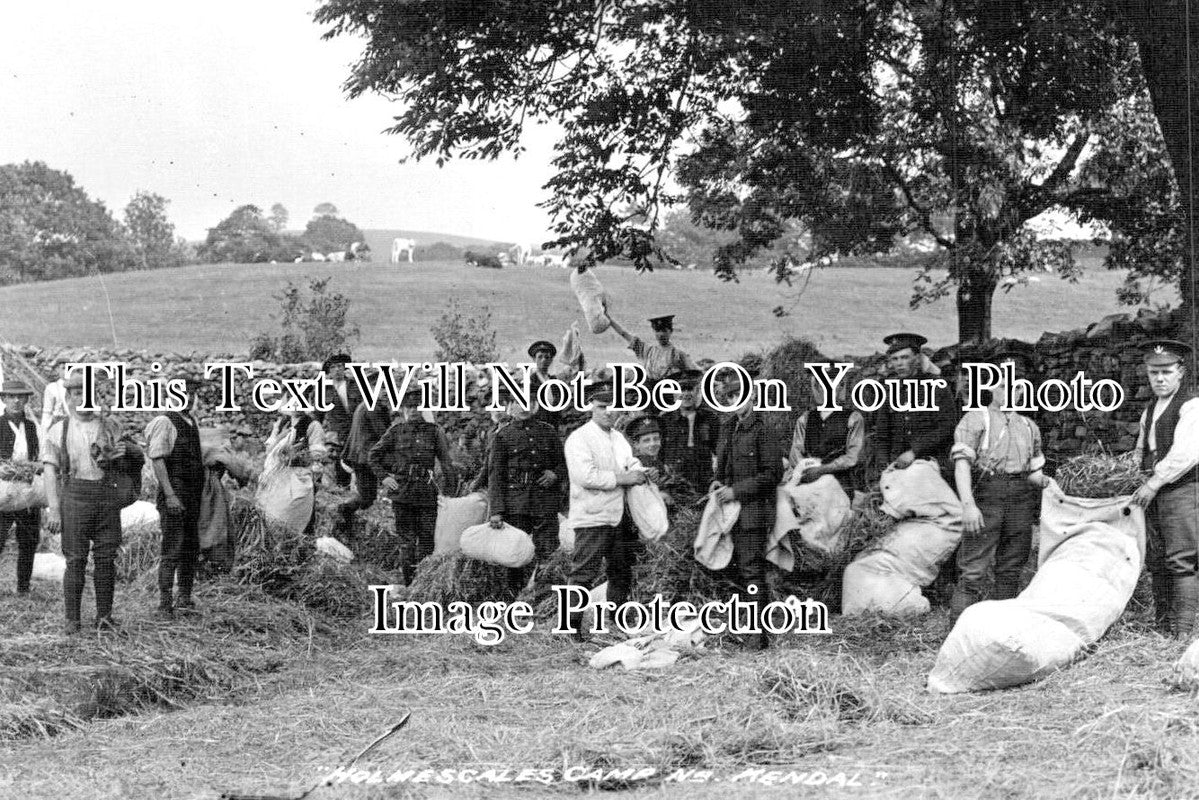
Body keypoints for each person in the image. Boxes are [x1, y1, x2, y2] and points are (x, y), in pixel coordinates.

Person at [948, 350, 1049, 623]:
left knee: (1011, 568)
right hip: (987, 497)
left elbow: (1033, 474)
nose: (1011, 393)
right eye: (1004, 386)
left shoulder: (1029, 426)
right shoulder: (975, 419)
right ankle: (957, 634)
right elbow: (962, 466)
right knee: (974, 570)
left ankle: (999, 630)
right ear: (990, 387)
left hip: (1020, 501)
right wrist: (968, 506)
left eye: (1017, 388)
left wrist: (1049, 483)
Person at [42, 373, 127, 634]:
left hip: (106, 498)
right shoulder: (59, 430)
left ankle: (104, 617)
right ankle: (72, 620)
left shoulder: (111, 427)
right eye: (78, 393)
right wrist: (54, 510)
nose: (84, 399)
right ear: (69, 398)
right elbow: (49, 472)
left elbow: (130, 461)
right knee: (76, 559)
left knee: (106, 558)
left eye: (89, 393)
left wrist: (124, 456)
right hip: (75, 498)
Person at [563, 384, 649, 639]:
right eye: (602, 407)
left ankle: (616, 621)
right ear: (591, 407)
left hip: (619, 516)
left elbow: (630, 462)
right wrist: (625, 478)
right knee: (583, 572)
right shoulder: (579, 438)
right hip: (592, 516)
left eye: (613, 407)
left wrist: (642, 472)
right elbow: (586, 476)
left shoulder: (618, 438)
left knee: (620, 570)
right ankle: (570, 628)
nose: (609, 412)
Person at [710, 373, 785, 650]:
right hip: (728, 512)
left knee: (752, 570)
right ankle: (741, 626)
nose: (736, 401)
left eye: (740, 395)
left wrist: (736, 491)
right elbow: (723, 467)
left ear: (751, 396)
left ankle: (757, 636)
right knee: (735, 570)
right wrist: (718, 482)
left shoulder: (764, 431)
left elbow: (772, 474)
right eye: (730, 397)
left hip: (753, 512)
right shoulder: (728, 428)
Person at [1130, 339, 1199, 638]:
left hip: (1180, 490)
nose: (1159, 379)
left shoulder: (1191, 405)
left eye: (1166, 372)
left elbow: (1186, 455)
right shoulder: (1150, 410)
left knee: (1181, 561)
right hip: (1152, 493)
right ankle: (1162, 627)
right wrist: (1134, 476)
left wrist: (1153, 483)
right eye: (1153, 373)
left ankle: (1182, 633)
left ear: (1180, 372)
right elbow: (1140, 450)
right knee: (1157, 561)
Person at [369, 391, 456, 584]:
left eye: (417, 407)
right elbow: (373, 455)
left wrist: (450, 494)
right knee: (406, 542)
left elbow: (446, 463)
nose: (413, 411)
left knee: (427, 539)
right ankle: (409, 583)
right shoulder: (396, 431)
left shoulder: (434, 432)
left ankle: (423, 582)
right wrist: (384, 478)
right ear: (402, 410)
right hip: (402, 494)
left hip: (426, 493)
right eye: (409, 407)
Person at [487, 390, 566, 595]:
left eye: (530, 401)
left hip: (545, 501)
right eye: (519, 402)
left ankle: (544, 596)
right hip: (516, 503)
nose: (525, 407)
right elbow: (495, 476)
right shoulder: (503, 436)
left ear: (536, 405)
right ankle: (514, 597)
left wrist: (554, 474)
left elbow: (563, 464)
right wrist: (496, 511)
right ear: (510, 406)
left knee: (548, 551)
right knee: (515, 552)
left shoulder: (548, 432)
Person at [144, 379, 206, 619]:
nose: (187, 398)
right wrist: (170, 494)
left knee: (190, 547)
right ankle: (164, 603)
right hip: (175, 491)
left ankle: (185, 598)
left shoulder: (191, 422)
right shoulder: (165, 422)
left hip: (192, 493)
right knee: (172, 547)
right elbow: (157, 459)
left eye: (191, 394)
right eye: (182, 393)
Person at [872, 332, 959, 474]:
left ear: (917, 358)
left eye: (905, 357)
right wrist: (884, 466)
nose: (899, 363)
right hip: (896, 465)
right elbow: (882, 435)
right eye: (895, 359)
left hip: (931, 461)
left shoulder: (937, 386)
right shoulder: (890, 391)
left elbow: (946, 428)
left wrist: (914, 451)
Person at [786, 373, 866, 493]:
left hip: (840, 483)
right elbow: (796, 451)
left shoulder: (853, 418)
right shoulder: (806, 418)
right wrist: (806, 470)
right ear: (818, 388)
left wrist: (822, 470)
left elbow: (853, 456)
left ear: (840, 387)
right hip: (808, 480)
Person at [332, 394, 393, 541]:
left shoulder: (366, 405)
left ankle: (346, 525)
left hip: (361, 456)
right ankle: (343, 513)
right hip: (364, 458)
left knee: (368, 496)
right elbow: (384, 435)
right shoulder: (372, 408)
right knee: (366, 497)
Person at [0, 381, 42, 596]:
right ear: (3, 399)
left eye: (21, 397)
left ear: (26, 400)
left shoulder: (32, 427)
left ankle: (23, 587)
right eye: (11, 397)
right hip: (3, 492)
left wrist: (34, 467)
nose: (16, 401)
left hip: (27, 491)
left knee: (29, 540)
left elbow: (37, 456)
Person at [264, 399, 328, 535]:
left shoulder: (312, 425)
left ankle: (302, 536)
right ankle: (278, 534)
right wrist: (279, 443)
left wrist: (298, 456)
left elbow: (318, 452)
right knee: (276, 508)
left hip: (300, 475)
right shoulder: (283, 423)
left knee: (301, 508)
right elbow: (270, 447)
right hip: (280, 474)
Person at [658, 369, 717, 492]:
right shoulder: (664, 420)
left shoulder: (710, 418)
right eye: (681, 389)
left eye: (690, 389)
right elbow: (658, 455)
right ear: (674, 394)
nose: (686, 394)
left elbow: (719, 452)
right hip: (672, 485)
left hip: (704, 483)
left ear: (697, 391)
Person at [608, 314, 696, 384]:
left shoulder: (678, 354)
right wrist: (609, 320)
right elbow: (624, 334)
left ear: (670, 331)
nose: (661, 334)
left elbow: (695, 373)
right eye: (658, 331)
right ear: (654, 331)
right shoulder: (648, 351)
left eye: (664, 330)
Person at [318, 353, 360, 487]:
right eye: (333, 367)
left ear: (344, 368)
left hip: (354, 429)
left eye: (340, 366)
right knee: (333, 460)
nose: (337, 370)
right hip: (334, 431)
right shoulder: (323, 389)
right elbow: (317, 414)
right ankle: (335, 489)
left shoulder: (355, 385)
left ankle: (354, 489)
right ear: (329, 371)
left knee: (354, 460)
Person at [527, 340, 563, 428]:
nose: (543, 360)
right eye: (540, 357)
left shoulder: (555, 382)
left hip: (552, 426)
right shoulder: (530, 381)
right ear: (534, 359)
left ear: (551, 360)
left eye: (547, 357)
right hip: (535, 427)